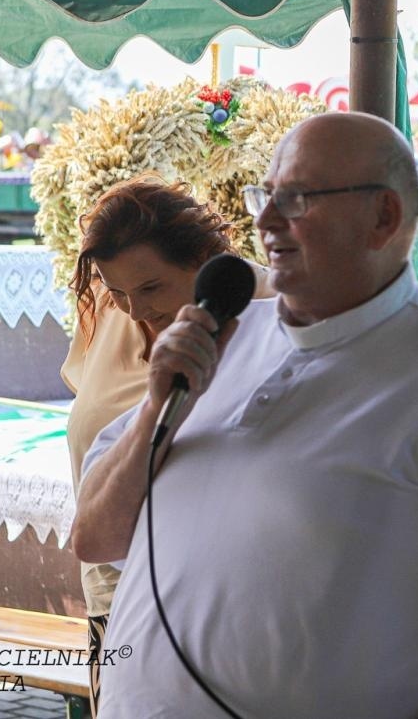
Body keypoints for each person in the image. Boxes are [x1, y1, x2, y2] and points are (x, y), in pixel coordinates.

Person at [70, 112, 418, 719]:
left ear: (383, 217)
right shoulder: (222, 338)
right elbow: (97, 538)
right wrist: (159, 407)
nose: (265, 221)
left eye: (295, 199)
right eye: (264, 196)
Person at [59, 178, 271, 716]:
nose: (133, 310)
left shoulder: (273, 312)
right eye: (115, 291)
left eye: (151, 288)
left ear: (205, 258)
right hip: (115, 599)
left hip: (221, 614)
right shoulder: (110, 315)